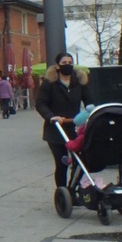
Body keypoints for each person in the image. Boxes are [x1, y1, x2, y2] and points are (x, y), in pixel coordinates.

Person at [36, 52, 91, 187]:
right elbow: (40, 103)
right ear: (57, 65)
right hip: (56, 130)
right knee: (62, 164)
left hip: (75, 128)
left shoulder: (79, 82)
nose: (68, 65)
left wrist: (90, 111)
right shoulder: (50, 83)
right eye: (64, 63)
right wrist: (51, 116)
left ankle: (72, 189)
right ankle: (62, 192)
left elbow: (89, 100)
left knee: (80, 163)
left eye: (70, 63)